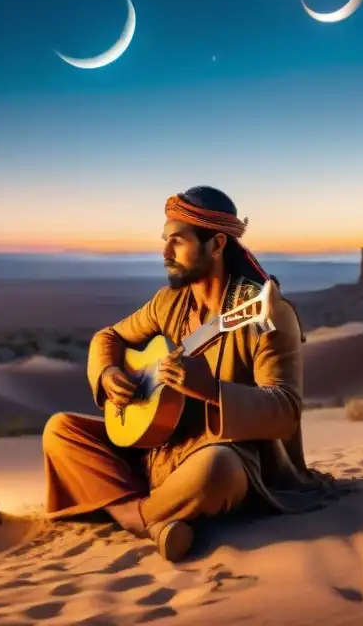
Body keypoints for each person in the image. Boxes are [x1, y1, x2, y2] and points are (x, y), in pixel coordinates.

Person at [41, 186, 340, 562]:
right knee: (60, 430)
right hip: (157, 448)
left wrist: (211, 390)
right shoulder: (169, 302)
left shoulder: (265, 314)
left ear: (215, 245)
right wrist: (108, 372)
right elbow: (110, 336)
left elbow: (285, 411)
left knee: (216, 469)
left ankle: (131, 512)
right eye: (166, 241)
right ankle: (153, 519)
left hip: (229, 457)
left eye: (177, 242)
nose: (165, 253)